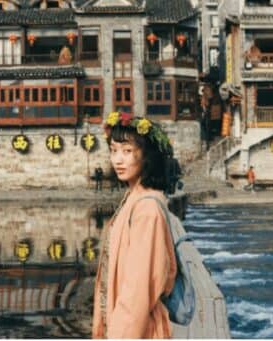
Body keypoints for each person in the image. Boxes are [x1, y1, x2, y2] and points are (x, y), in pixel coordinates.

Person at [92, 112, 179, 339]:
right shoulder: (134, 198)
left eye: (127, 151)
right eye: (113, 150)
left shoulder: (146, 209)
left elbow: (138, 289)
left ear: (146, 156)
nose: (118, 160)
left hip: (138, 330)